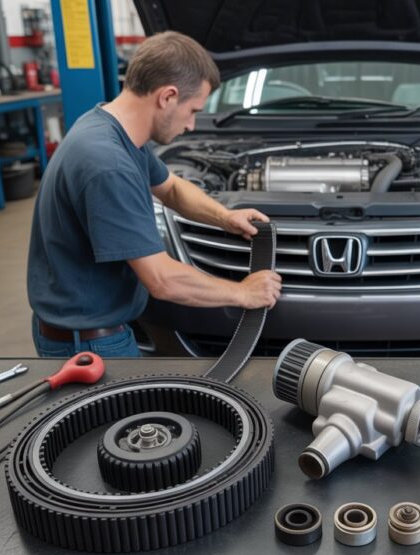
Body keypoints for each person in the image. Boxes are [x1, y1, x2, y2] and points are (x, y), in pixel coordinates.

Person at [27, 31, 281, 358]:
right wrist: (244, 293)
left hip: (86, 329)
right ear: (167, 96)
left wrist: (225, 217)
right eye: (192, 110)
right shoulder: (109, 163)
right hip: (90, 344)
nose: (191, 125)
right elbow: (163, 280)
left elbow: (171, 187)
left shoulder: (110, 130)